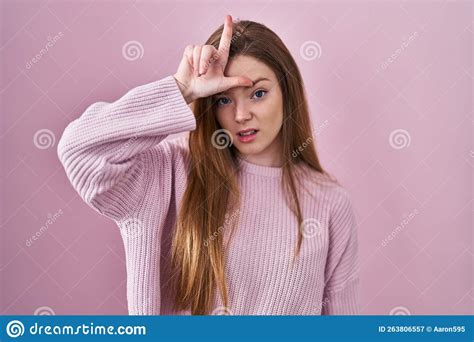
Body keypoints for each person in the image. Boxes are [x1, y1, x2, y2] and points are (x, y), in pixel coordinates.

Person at [57, 15, 360, 315]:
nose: (241, 115)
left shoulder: (330, 203)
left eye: (258, 93)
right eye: (224, 100)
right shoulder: (169, 172)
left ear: (287, 94)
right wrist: (181, 89)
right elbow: (79, 150)